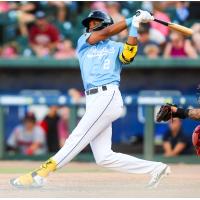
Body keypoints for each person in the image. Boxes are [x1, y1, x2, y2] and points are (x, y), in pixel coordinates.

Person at [11, 9, 170, 189]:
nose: (90, 26)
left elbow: (129, 55)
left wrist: (134, 26)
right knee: (104, 157)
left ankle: (40, 174)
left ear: (105, 23)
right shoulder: (84, 42)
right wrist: (131, 19)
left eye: (94, 22)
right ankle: (156, 168)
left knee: (76, 137)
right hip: (93, 99)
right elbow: (106, 32)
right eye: (89, 23)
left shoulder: (115, 46)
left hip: (107, 95)